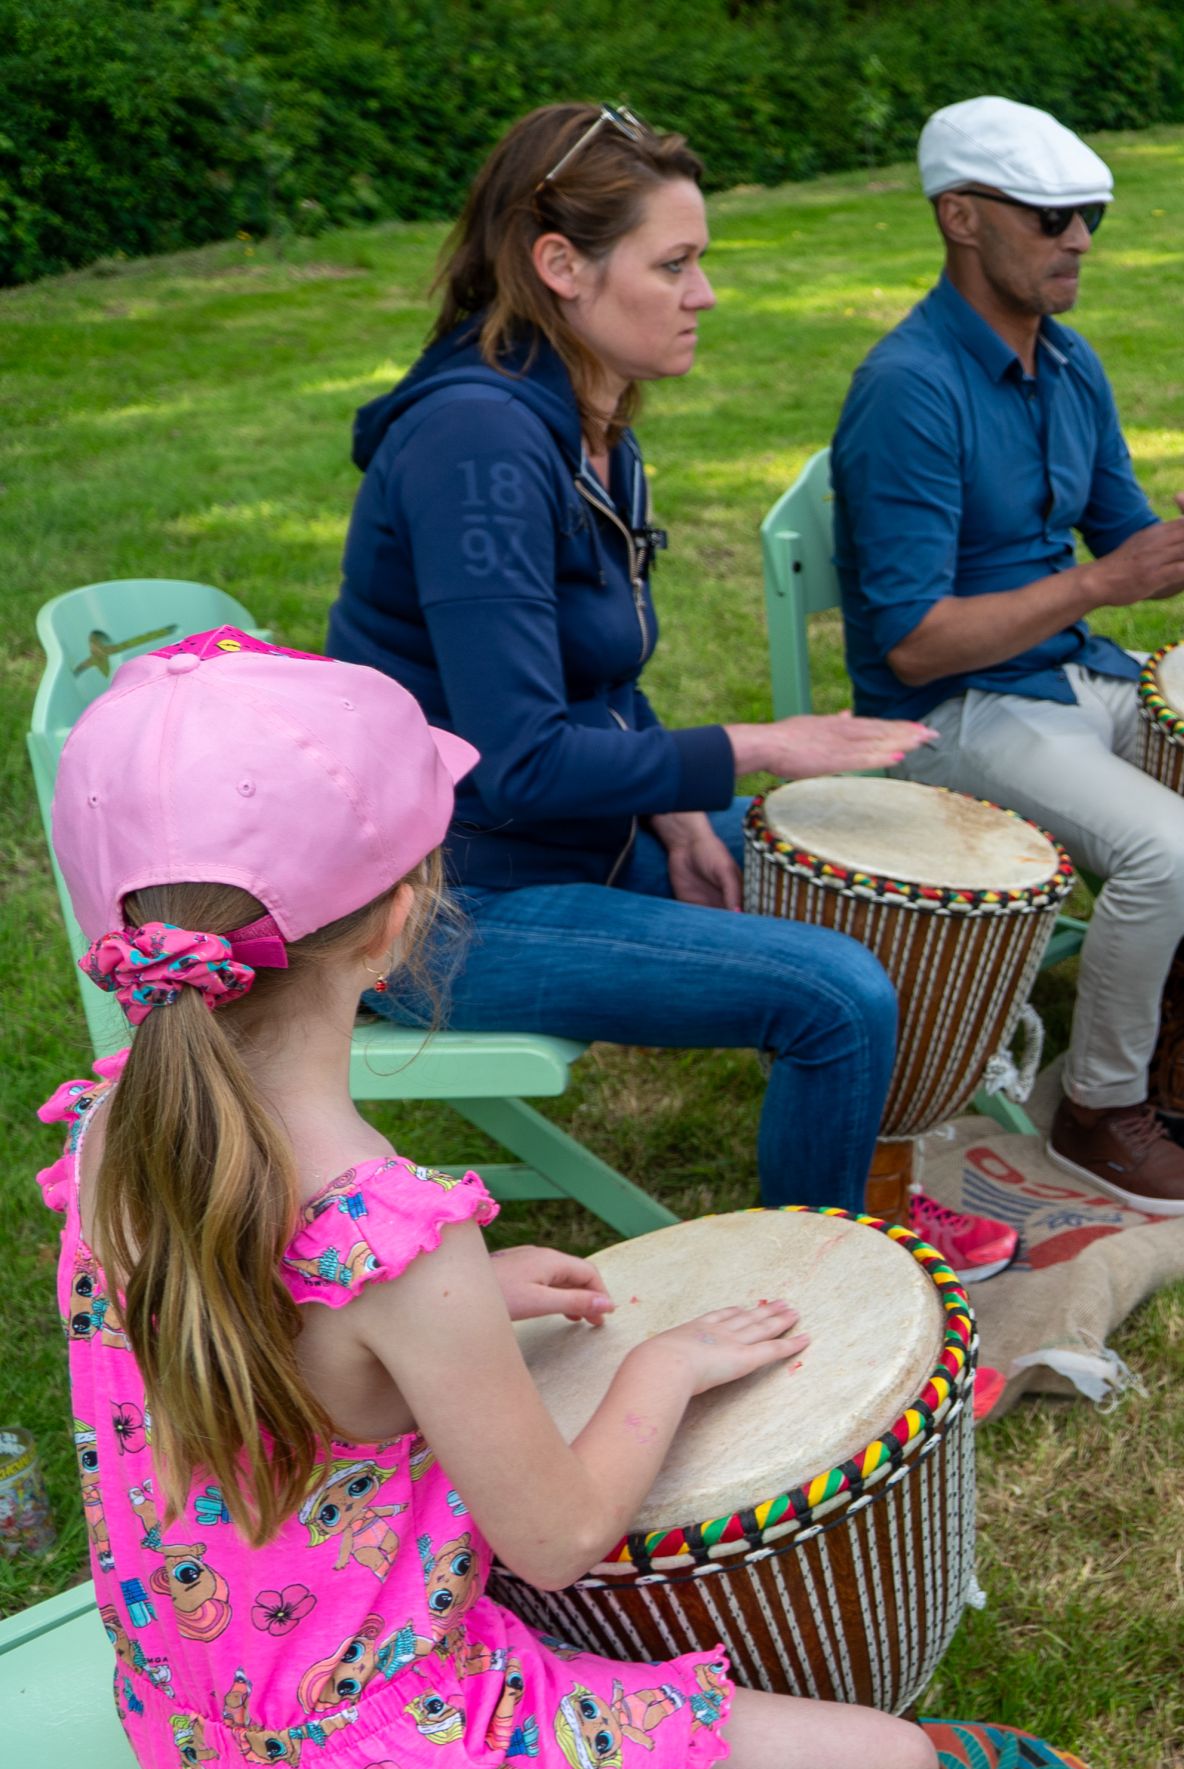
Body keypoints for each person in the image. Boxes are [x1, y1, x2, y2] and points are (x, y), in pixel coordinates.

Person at [41, 630, 1109, 1769]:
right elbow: (551, 1530)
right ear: (396, 920)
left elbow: (273, 1324)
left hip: (196, 1711)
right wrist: (660, 1367)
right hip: (371, 1765)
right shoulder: (390, 1236)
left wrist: (471, 1297)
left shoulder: (128, 1117)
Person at [326, 102, 1013, 1274]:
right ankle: (835, 1292)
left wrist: (679, 811)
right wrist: (755, 745)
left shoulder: (592, 428)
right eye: (675, 264)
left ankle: (866, 1187)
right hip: (443, 908)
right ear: (561, 267)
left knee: (875, 855)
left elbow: (595, 681)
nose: (703, 294)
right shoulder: (478, 449)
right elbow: (523, 758)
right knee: (834, 992)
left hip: (577, 844)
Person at [832, 96, 1184, 1218]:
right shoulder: (909, 391)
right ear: (961, 219)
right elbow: (914, 638)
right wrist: (1099, 584)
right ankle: (1100, 1106)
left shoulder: (1070, 365)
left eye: (1091, 217)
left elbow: (1127, 546)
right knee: (1165, 845)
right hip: (954, 708)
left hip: (1072, 667)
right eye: (1052, 217)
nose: (1079, 238)